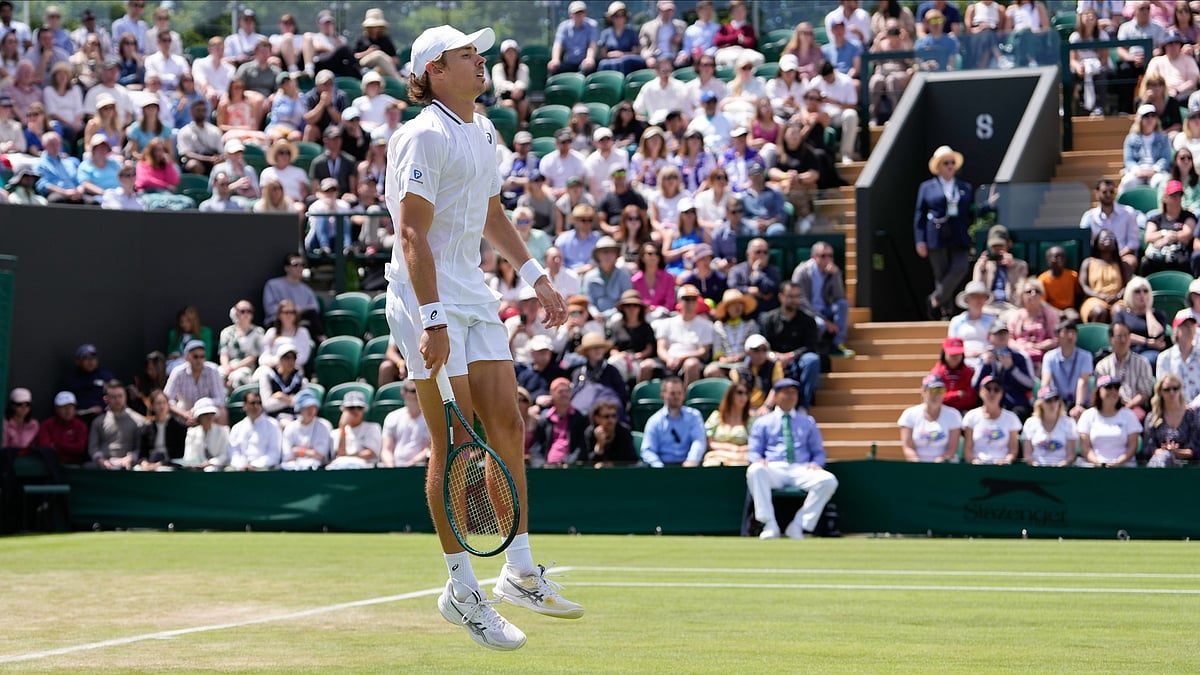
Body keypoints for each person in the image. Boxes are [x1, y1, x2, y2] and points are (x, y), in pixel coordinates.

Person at [383, 24, 582, 650]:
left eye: (479, 54)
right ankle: (461, 588)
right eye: (468, 56)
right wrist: (432, 318)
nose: (481, 62)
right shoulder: (421, 135)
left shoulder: (482, 128)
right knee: (457, 443)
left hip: (473, 291)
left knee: (509, 426)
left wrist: (535, 276)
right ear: (436, 70)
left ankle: (518, 571)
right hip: (427, 300)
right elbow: (412, 234)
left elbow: (491, 211)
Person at [746, 378, 838, 540]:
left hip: (800, 468)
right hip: (774, 467)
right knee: (755, 470)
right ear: (776, 396)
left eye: (794, 393)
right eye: (786, 393)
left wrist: (816, 463)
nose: (791, 397)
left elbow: (818, 451)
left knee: (828, 480)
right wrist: (758, 459)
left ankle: (799, 525)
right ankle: (769, 524)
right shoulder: (762, 422)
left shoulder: (808, 422)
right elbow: (753, 451)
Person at [914, 145, 973, 320]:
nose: (950, 166)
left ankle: (935, 299)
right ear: (939, 166)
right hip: (936, 232)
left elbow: (971, 211)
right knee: (941, 273)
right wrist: (920, 240)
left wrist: (985, 207)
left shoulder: (965, 187)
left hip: (958, 233)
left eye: (952, 163)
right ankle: (945, 312)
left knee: (960, 267)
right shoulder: (926, 187)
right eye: (946, 163)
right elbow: (919, 214)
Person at [758, 281, 822, 409]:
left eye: (797, 296)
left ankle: (803, 406)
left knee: (812, 360)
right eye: (790, 296)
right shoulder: (769, 319)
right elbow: (762, 344)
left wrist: (790, 356)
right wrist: (773, 355)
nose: (794, 300)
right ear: (781, 297)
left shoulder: (808, 320)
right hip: (773, 359)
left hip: (798, 359)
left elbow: (811, 346)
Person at [792, 242, 853, 357]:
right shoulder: (802, 271)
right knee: (819, 324)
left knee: (843, 304)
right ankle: (816, 348)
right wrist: (824, 320)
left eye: (830, 256)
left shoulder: (832, 272)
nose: (827, 259)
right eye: (823, 256)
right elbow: (800, 300)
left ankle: (837, 344)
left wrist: (836, 276)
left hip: (825, 309)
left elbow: (839, 296)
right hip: (808, 311)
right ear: (813, 257)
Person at [640, 375, 707, 467]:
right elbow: (648, 450)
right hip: (663, 466)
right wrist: (659, 466)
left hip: (688, 466)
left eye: (679, 393)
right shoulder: (654, 421)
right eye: (672, 393)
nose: (677, 397)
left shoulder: (694, 416)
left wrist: (692, 460)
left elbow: (699, 441)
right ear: (663, 395)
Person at [1094, 320, 1155, 421]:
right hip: (1109, 408)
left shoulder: (1142, 362)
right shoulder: (1102, 366)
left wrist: (1129, 406)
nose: (1123, 340)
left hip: (1135, 408)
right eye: (1119, 336)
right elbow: (1100, 393)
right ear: (1111, 339)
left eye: (1126, 335)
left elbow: (1145, 393)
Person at [974, 322, 1035, 420]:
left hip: (1015, 405)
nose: (1001, 336)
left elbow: (1030, 385)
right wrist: (985, 366)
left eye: (1004, 333)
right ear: (989, 337)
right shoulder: (984, 357)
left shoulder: (1021, 356)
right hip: (989, 405)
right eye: (997, 333)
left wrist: (1011, 368)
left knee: (1020, 413)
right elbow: (975, 386)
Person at [1078, 375, 1142, 466]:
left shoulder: (1129, 415)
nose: (1113, 391)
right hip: (1094, 468)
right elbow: (1085, 448)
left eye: (1116, 387)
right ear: (1099, 391)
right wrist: (1099, 464)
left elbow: (1132, 447)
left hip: (1124, 468)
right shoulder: (1088, 415)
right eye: (1108, 387)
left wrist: (1117, 463)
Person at [655, 284, 713, 385]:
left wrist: (683, 358)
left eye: (694, 299)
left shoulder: (706, 325)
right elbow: (661, 348)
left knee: (691, 364)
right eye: (686, 299)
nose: (690, 302)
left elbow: (703, 351)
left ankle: (686, 399)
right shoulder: (666, 323)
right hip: (669, 360)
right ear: (679, 301)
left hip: (692, 360)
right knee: (645, 366)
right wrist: (669, 359)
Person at [898, 373, 963, 462]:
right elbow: (908, 447)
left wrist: (941, 461)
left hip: (945, 466)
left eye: (940, 390)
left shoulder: (953, 415)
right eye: (933, 390)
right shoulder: (909, 414)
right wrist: (919, 464)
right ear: (923, 392)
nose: (937, 394)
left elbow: (952, 448)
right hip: (917, 466)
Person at [528, 377, 588, 468]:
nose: (564, 394)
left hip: (572, 469)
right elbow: (536, 448)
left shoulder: (581, 418)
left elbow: (582, 447)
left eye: (567, 391)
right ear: (552, 394)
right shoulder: (545, 419)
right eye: (560, 391)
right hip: (547, 470)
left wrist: (568, 463)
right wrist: (541, 465)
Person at [1041, 319, 1094, 421]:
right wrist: (1045, 401)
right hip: (1057, 402)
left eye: (1073, 333)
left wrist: (1079, 405)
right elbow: (1045, 383)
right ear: (1057, 336)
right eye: (1066, 332)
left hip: (1080, 402)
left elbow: (1083, 382)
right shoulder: (1049, 357)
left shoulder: (1085, 356)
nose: (1070, 336)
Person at [163, 340, 227, 424]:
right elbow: (167, 399)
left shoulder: (213, 371)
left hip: (207, 412)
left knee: (222, 412)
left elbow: (220, 399)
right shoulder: (178, 372)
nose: (199, 360)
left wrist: (199, 407)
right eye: (195, 356)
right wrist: (184, 414)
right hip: (184, 413)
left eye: (202, 356)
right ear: (187, 357)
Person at [1112, 275, 1170, 367]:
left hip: (1149, 353)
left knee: (1147, 360)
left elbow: (1156, 335)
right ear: (1129, 294)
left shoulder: (1158, 315)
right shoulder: (1121, 314)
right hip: (1127, 350)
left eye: (1145, 291)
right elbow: (1120, 335)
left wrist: (1148, 311)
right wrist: (1147, 342)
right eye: (1137, 291)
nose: (1142, 295)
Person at [961, 376, 1021, 464]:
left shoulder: (1011, 418)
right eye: (988, 389)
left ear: (1001, 393)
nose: (992, 393)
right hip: (976, 468)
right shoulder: (971, 416)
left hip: (1002, 468)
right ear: (980, 391)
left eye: (996, 389)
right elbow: (968, 450)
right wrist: (974, 461)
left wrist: (1006, 461)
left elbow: (1013, 450)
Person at [971, 224, 1029, 317]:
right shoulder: (983, 265)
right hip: (988, 306)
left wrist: (1012, 267)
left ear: (1009, 243)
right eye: (994, 246)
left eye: (1000, 245)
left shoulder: (1020, 265)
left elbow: (1020, 292)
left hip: (1011, 307)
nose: (997, 249)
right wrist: (981, 270)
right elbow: (976, 291)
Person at [87, 379, 145, 470]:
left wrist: (130, 458)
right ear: (106, 399)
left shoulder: (139, 420)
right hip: (103, 465)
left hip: (129, 466)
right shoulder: (98, 422)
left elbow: (140, 448)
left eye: (120, 396)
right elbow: (93, 448)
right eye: (113, 397)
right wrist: (101, 460)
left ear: (125, 396)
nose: (117, 400)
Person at [1144, 373, 1200, 467]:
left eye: (1175, 388)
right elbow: (1148, 449)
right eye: (1167, 389)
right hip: (1159, 464)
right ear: (1160, 391)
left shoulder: (1191, 416)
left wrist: (1175, 452)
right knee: (1165, 457)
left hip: (1187, 466)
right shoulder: (1152, 417)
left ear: (1180, 389)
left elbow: (1195, 450)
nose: (1172, 392)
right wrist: (1165, 451)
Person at [1079, 228, 1133, 323]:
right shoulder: (1088, 263)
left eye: (1111, 238)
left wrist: (1118, 296)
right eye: (1103, 238)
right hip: (1094, 299)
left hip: (1117, 299)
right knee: (1099, 311)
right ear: (1096, 242)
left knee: (1119, 311)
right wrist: (1100, 296)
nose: (1108, 240)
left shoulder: (1122, 264)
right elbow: (1084, 286)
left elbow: (1128, 286)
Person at [263, 253, 324, 336]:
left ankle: (323, 341)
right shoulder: (272, 285)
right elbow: (270, 309)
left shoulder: (307, 289)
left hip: (300, 323)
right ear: (286, 268)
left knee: (309, 320)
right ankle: (322, 339)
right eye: (295, 265)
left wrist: (299, 311)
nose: (299, 268)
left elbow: (315, 309)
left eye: (302, 265)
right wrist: (292, 310)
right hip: (277, 323)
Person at [1022, 385, 1079, 467]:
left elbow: (1071, 455)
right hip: (1036, 471)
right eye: (1048, 400)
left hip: (1062, 471)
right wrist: (1036, 465)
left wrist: (1060, 466)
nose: (1053, 404)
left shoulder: (1069, 423)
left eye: (1056, 400)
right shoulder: (1030, 423)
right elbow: (1027, 455)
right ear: (1040, 404)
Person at [227, 390, 281, 471]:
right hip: (240, 470)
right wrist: (241, 465)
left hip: (264, 470)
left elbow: (274, 454)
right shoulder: (237, 428)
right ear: (244, 406)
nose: (256, 406)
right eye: (252, 403)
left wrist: (254, 465)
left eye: (259, 403)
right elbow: (233, 452)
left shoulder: (273, 425)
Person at [62, 343, 115, 426]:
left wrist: (102, 407)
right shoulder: (71, 380)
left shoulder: (106, 377)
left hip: (105, 418)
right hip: (79, 420)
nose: (90, 361)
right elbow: (65, 402)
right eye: (86, 358)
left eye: (93, 358)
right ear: (78, 361)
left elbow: (115, 398)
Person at [278, 390, 331, 471]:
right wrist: (311, 453)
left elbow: (321, 455)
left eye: (313, 407)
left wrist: (299, 451)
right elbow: (287, 456)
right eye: (306, 407)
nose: (311, 410)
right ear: (300, 409)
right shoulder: (290, 428)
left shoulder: (324, 425)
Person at [703, 380, 752, 466]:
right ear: (731, 395)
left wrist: (738, 450)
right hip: (718, 455)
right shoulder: (716, 416)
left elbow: (755, 444)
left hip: (741, 457)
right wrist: (731, 448)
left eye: (746, 393)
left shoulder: (751, 420)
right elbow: (709, 443)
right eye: (740, 392)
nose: (743, 396)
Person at [381, 384, 431, 468]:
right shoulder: (392, 417)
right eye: (414, 391)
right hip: (393, 468)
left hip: (419, 468)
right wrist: (391, 467)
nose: (418, 394)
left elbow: (427, 449)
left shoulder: (429, 419)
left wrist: (410, 465)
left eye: (420, 391)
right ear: (403, 393)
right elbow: (386, 449)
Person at [727, 237, 780, 316]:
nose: (762, 255)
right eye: (758, 252)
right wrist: (748, 290)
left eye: (765, 252)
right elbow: (732, 287)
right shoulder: (737, 270)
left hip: (767, 313)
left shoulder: (773, 271)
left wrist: (758, 273)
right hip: (743, 314)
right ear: (748, 254)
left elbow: (771, 289)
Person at [138, 389, 186, 470]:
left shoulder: (178, 427)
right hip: (151, 462)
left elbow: (179, 455)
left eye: (164, 403)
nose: (161, 406)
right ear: (152, 406)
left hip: (170, 464)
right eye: (158, 403)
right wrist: (144, 463)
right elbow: (142, 453)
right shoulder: (147, 427)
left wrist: (160, 464)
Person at [1159, 309, 1200, 402]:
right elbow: (1163, 389)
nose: (1189, 329)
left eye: (1192, 325)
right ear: (1176, 330)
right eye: (1185, 325)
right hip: (1174, 409)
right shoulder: (1165, 358)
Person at [180, 398, 229, 471]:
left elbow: (225, 455)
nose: (209, 417)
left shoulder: (224, 431)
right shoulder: (191, 433)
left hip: (218, 470)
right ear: (199, 417)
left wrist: (211, 463)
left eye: (212, 413)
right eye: (205, 414)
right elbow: (188, 456)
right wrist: (194, 465)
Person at [551, 1, 599, 74]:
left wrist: (589, 58)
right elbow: (558, 44)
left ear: (585, 13)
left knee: (589, 68)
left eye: (581, 12)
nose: (579, 15)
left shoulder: (592, 25)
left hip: (584, 62)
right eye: (576, 13)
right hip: (569, 62)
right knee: (554, 68)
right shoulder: (563, 26)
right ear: (570, 14)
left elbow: (592, 44)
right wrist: (555, 59)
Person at [1037, 246, 1083, 319]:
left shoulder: (1072, 275)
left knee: (1074, 317)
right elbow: (1042, 302)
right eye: (1056, 257)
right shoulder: (1042, 279)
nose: (1060, 260)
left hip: (1068, 309)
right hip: (1050, 309)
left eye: (1062, 257)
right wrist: (1057, 312)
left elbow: (1079, 294)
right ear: (1048, 260)